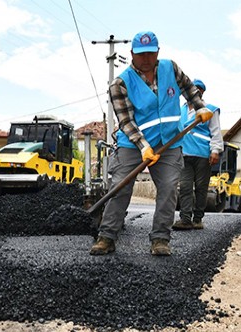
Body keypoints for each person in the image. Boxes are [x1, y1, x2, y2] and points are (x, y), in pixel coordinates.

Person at [90, 31, 212, 256]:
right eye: (140, 54)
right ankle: (106, 236)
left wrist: (200, 106)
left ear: (157, 52)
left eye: (150, 53)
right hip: (132, 144)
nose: (145, 59)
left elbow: (189, 88)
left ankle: (160, 239)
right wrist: (143, 146)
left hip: (169, 143)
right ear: (132, 54)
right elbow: (126, 121)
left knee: (168, 189)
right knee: (120, 187)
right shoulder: (120, 84)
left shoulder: (170, 68)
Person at [172, 79, 223, 230]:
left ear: (202, 93)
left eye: (198, 90)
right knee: (186, 186)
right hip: (184, 153)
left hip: (202, 154)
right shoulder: (179, 110)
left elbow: (216, 132)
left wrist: (215, 151)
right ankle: (185, 218)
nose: (195, 92)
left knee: (201, 187)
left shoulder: (210, 110)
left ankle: (198, 218)